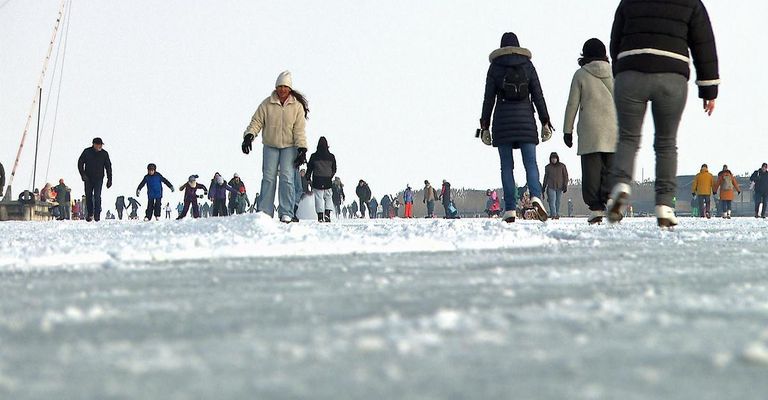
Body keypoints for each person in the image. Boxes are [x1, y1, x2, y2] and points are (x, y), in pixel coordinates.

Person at [607, 0, 719, 228]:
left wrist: (621, 70)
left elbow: (615, 40)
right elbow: (703, 44)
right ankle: (665, 205)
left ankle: (620, 186)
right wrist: (708, 89)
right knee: (666, 143)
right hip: (671, 74)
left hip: (631, 71)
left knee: (628, 137)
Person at [480, 32, 553, 224]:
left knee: (507, 166)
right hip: (526, 122)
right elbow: (538, 95)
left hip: (503, 123)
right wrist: (545, 121)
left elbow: (488, 99)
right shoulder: (527, 65)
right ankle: (536, 196)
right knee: (530, 163)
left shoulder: (495, 67)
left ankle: (510, 208)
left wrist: (484, 125)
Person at [563, 38, 618, 224]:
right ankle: (611, 199)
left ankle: (596, 208)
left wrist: (567, 130)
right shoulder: (615, 72)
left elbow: (572, 104)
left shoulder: (580, 75)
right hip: (613, 128)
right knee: (611, 168)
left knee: (591, 171)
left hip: (590, 130)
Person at [242, 71, 309, 223]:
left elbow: (299, 130)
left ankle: (287, 212)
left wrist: (302, 149)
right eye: (280, 86)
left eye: (285, 87)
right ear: (276, 87)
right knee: (268, 178)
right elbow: (256, 122)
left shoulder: (296, 107)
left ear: (290, 88)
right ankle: (264, 211)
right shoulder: (267, 104)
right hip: (270, 146)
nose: (282, 90)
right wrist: (249, 136)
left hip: (289, 147)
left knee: (287, 178)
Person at [77, 137, 113, 222]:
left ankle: (97, 215)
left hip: (99, 179)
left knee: (97, 196)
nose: (100, 146)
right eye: (98, 145)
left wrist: (109, 179)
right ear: (94, 144)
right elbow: (80, 163)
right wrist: (82, 175)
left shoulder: (104, 154)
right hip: (88, 178)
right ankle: (90, 214)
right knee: (88, 196)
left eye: (101, 145)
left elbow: (108, 167)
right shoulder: (87, 152)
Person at [305, 137, 337, 223]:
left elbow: (309, 169)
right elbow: (334, 169)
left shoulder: (314, 156)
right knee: (328, 197)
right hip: (327, 181)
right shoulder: (331, 157)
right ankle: (327, 214)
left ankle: (320, 216)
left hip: (317, 180)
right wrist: (330, 176)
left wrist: (308, 178)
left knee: (318, 198)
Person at [542, 152, 569, 220]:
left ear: (557, 158)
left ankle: (556, 213)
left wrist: (565, 185)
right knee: (552, 201)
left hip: (560, 186)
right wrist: (544, 187)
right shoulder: (548, 167)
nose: (553, 160)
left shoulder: (562, 166)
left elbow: (565, 176)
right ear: (550, 159)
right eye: (552, 158)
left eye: (555, 158)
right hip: (551, 186)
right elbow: (546, 177)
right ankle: (553, 214)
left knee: (558, 201)